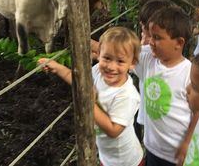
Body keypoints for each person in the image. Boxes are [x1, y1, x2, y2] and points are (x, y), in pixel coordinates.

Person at [38, 27, 144, 166]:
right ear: (98, 54)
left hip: (127, 161)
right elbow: (78, 82)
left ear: (132, 63)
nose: (111, 67)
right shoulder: (98, 72)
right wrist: (57, 68)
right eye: (107, 58)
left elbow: (113, 131)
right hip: (106, 157)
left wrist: (89, 102)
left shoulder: (127, 95)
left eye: (120, 61)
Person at [133, 5, 199, 166]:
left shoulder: (189, 73)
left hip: (175, 153)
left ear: (179, 43)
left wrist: (187, 143)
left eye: (157, 37)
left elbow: (198, 112)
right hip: (152, 147)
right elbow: (118, 50)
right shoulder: (148, 60)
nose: (150, 42)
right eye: (150, 36)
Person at [135, 0, 174, 141]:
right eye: (143, 31)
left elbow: (118, 51)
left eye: (153, 36)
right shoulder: (146, 54)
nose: (146, 39)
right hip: (151, 120)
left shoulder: (146, 54)